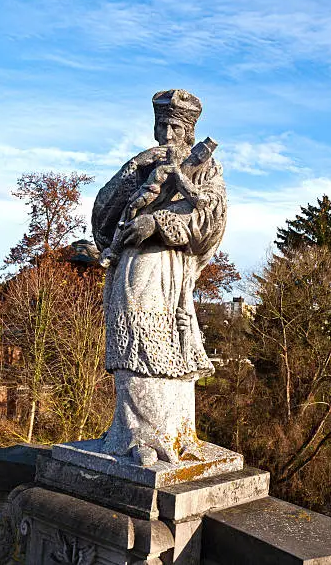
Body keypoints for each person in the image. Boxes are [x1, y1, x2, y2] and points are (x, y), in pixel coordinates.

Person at [92, 89, 227, 465]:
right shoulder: (142, 165)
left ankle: (176, 433)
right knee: (137, 344)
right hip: (133, 268)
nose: (167, 135)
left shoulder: (206, 168)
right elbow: (102, 217)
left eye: (174, 127)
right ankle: (135, 436)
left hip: (171, 270)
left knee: (173, 348)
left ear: (188, 131)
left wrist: (158, 222)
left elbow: (210, 221)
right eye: (161, 125)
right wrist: (133, 172)